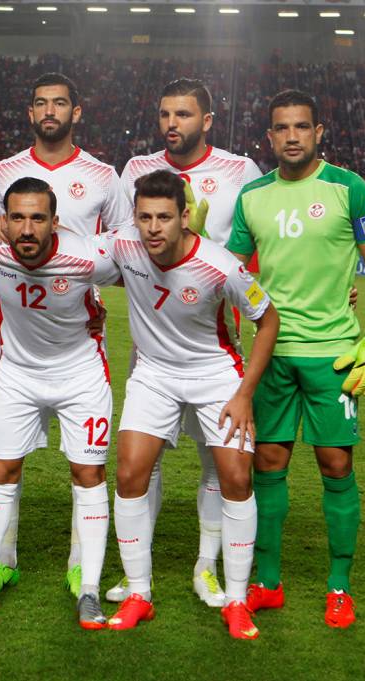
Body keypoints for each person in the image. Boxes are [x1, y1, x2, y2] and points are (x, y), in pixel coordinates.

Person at [226, 90, 365, 628]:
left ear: (319, 132)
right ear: (269, 136)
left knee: (336, 464)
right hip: (272, 354)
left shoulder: (349, 188)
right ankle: (269, 582)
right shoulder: (252, 196)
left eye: (302, 126)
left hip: (334, 356)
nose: (292, 135)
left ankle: (339, 584)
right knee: (267, 464)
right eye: (281, 128)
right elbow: (232, 270)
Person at [100, 170, 279, 639]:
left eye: (164, 217)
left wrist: (243, 394)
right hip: (154, 374)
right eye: (144, 217)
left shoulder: (221, 266)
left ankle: (237, 601)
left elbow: (268, 320)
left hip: (214, 375)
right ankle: (140, 593)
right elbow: (75, 250)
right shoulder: (123, 246)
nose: (153, 228)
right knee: (129, 473)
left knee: (237, 477)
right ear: (134, 218)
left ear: (185, 217)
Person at [109, 78, 264, 607]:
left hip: (212, 331)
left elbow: (259, 241)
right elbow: (114, 243)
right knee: (139, 462)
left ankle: (207, 566)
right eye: (164, 114)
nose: (172, 124)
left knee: (215, 462)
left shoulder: (240, 171)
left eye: (183, 114)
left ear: (208, 120)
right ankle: (138, 575)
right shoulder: (136, 171)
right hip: (153, 339)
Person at [0, 72, 132, 597]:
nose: (50, 111)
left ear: (76, 111)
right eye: (41, 102)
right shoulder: (4, 171)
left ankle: (78, 564)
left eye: (60, 103)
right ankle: (2, 560)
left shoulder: (102, 175)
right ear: (30, 112)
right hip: (19, 334)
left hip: (77, 329)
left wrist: (93, 292)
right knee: (6, 459)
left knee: (86, 466)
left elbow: (119, 244)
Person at [0, 177, 115, 630]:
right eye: (17, 217)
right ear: (3, 219)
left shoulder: (88, 256)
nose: (27, 229)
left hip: (81, 376)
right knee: (1, 472)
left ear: (55, 222)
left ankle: (90, 591)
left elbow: (144, 261)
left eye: (37, 218)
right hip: (16, 376)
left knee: (88, 475)